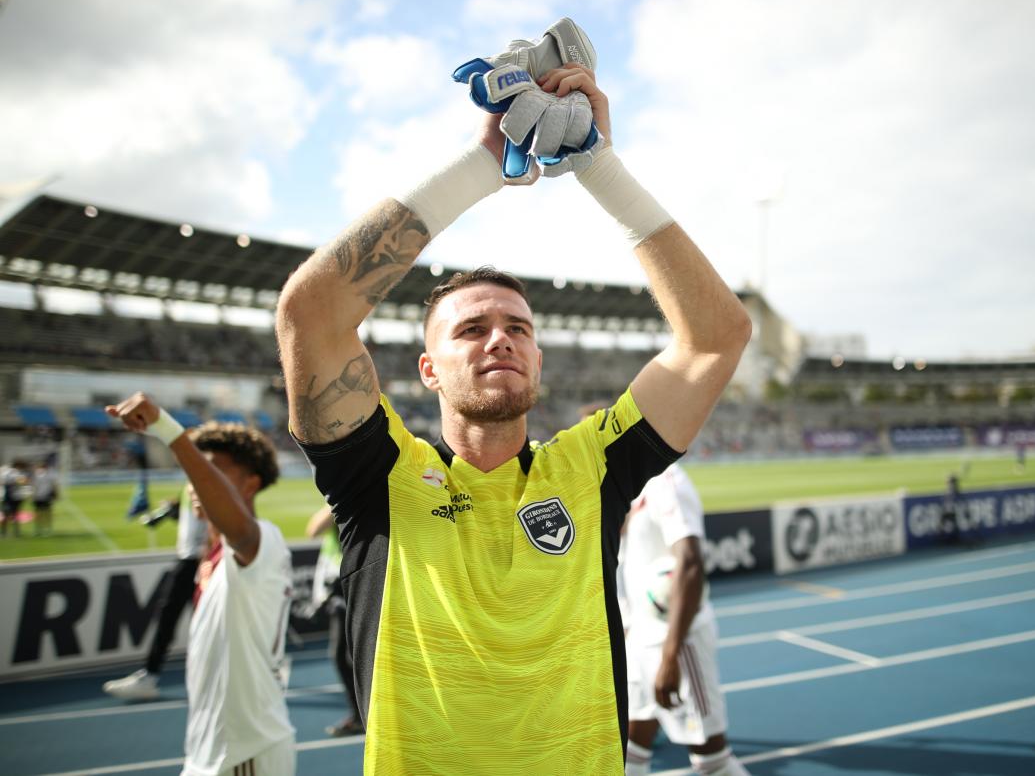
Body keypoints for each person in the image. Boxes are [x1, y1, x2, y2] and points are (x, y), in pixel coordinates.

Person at [275, 58, 751, 773]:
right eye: (470, 329)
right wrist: (485, 162)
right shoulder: (379, 473)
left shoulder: (592, 466)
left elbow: (716, 337)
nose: (500, 337)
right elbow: (310, 314)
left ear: (538, 360)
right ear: (427, 370)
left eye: (519, 329)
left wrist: (600, 166)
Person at [104, 394, 295, 776]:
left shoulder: (264, 542)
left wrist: (170, 432)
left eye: (212, 472)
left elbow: (240, 530)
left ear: (250, 484)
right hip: (215, 753)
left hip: (245, 752)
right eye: (194, 473)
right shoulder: (210, 560)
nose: (195, 483)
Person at [619, 463, 749, 776]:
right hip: (639, 639)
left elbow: (690, 564)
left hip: (676, 643)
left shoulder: (666, 480)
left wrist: (670, 656)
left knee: (711, 756)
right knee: (630, 749)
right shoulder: (629, 489)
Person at [102, 494, 207, 701]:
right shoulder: (191, 482)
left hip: (200, 561)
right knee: (169, 618)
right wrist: (176, 511)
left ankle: (151, 675)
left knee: (201, 623)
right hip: (188, 559)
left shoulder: (205, 476)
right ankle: (150, 675)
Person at [305, 504, 363, 737]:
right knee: (344, 656)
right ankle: (361, 714)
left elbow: (314, 528)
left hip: (349, 584)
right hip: (338, 584)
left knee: (349, 655)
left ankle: (364, 715)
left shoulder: (345, 498)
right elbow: (314, 530)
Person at [30, 460, 58, 536]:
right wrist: (56, 495)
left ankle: (39, 529)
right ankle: (47, 529)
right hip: (46, 496)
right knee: (47, 513)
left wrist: (32, 496)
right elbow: (54, 485)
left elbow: (33, 487)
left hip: (38, 496)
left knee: (38, 513)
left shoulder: (36, 474)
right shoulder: (49, 474)